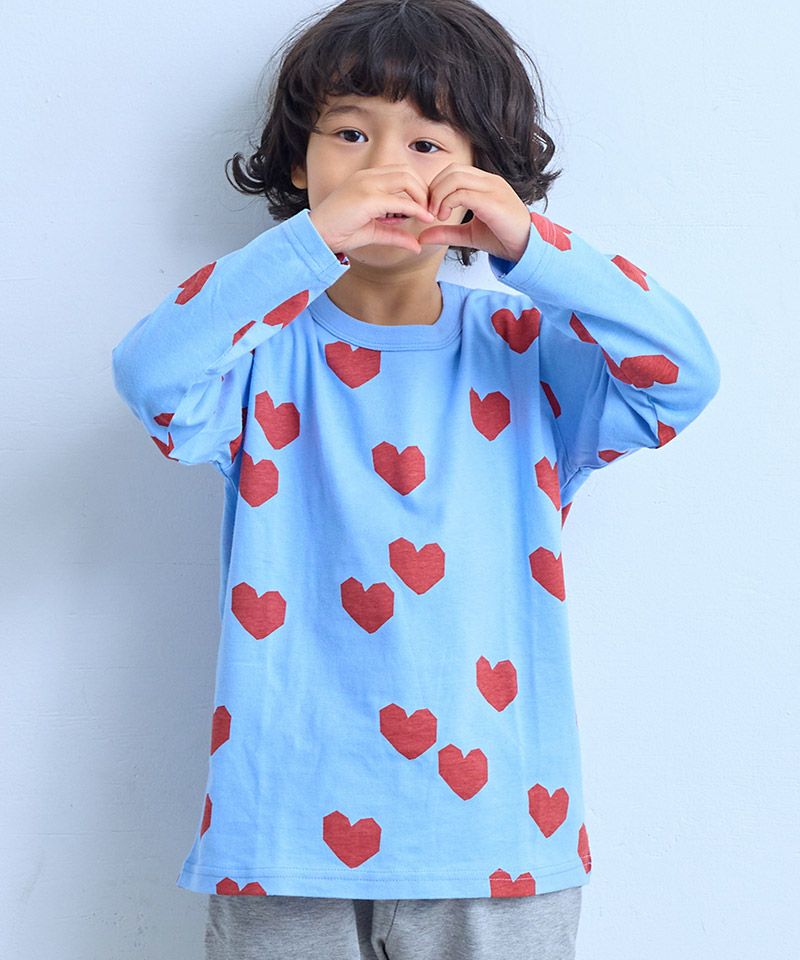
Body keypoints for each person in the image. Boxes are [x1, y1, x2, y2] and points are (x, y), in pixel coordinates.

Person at [110, 0, 721, 957]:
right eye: (350, 134)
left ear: (485, 177)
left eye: (428, 142)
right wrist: (308, 245)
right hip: (285, 831)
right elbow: (151, 375)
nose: (384, 168)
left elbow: (683, 376)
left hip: (498, 835)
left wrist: (530, 246)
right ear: (299, 163)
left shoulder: (526, 351)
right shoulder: (260, 355)